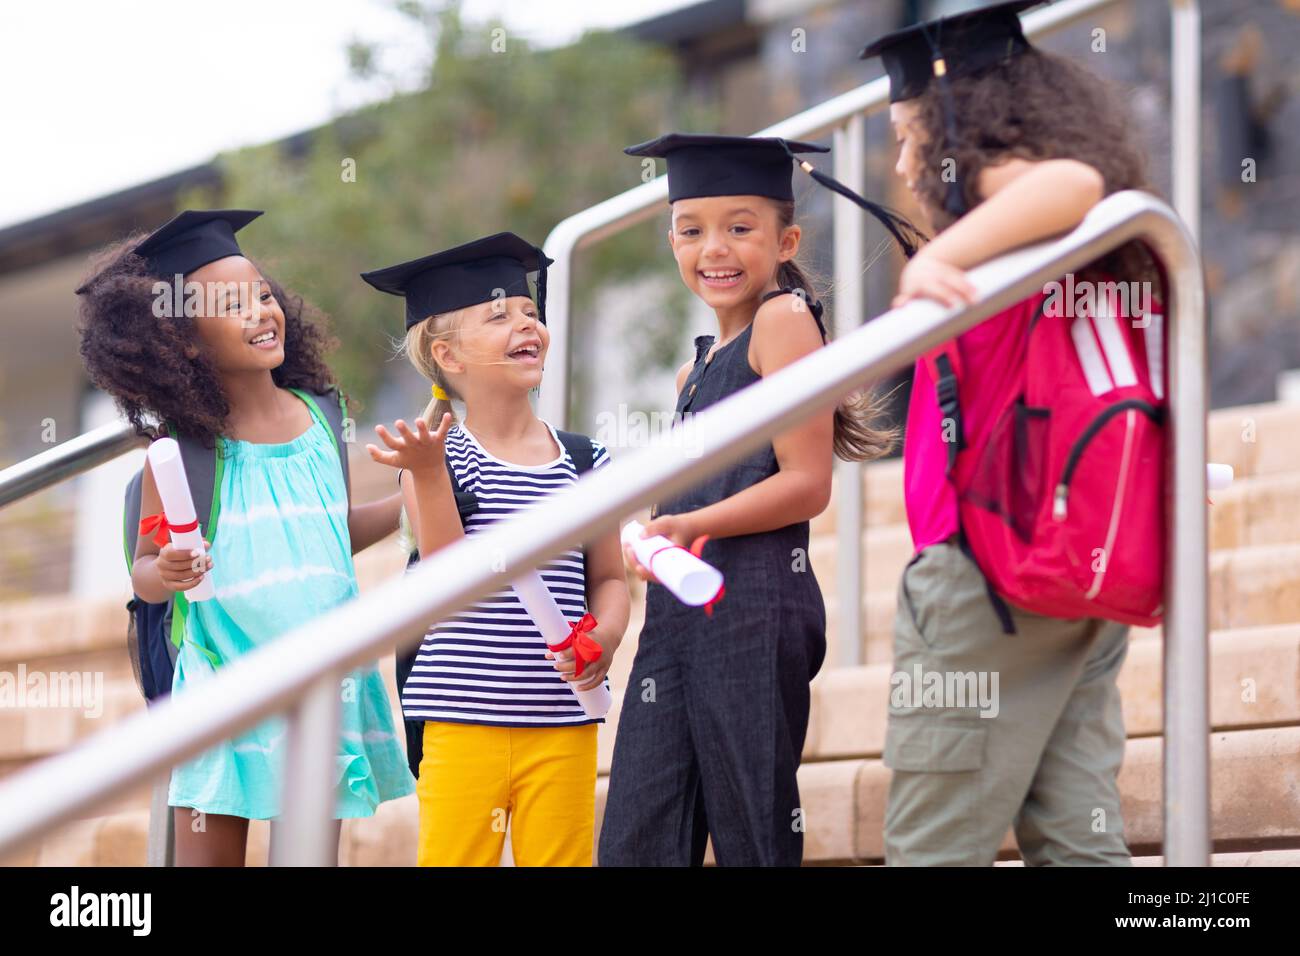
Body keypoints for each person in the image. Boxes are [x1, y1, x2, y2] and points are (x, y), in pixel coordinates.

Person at [860, 0, 1158, 865]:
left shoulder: (1013, 223)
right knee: (1076, 835)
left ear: (960, 130)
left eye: (910, 134)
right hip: (1072, 570)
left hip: (987, 569)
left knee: (934, 842)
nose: (904, 158)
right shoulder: (1057, 250)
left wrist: (938, 256)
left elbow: (1070, 181)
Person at [600, 134, 920, 865]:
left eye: (740, 228)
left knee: (753, 827)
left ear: (787, 241)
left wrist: (690, 524)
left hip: (757, 604)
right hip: (681, 616)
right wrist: (656, 530)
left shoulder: (784, 321)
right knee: (638, 835)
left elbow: (806, 484)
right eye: (691, 230)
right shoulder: (693, 369)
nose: (714, 248)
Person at [77, 209, 415, 866]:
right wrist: (166, 567)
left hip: (326, 683)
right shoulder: (184, 455)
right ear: (184, 343)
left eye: (262, 293)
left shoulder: (323, 414)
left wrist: (411, 502)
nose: (261, 311)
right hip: (223, 691)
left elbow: (330, 532)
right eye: (232, 304)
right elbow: (144, 570)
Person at [361, 232, 630, 866]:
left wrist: (606, 635)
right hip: (461, 720)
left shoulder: (586, 461)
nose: (525, 323)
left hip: (563, 721)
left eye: (530, 312)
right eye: (498, 314)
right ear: (448, 354)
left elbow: (612, 580)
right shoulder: (437, 457)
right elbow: (449, 580)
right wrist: (425, 475)